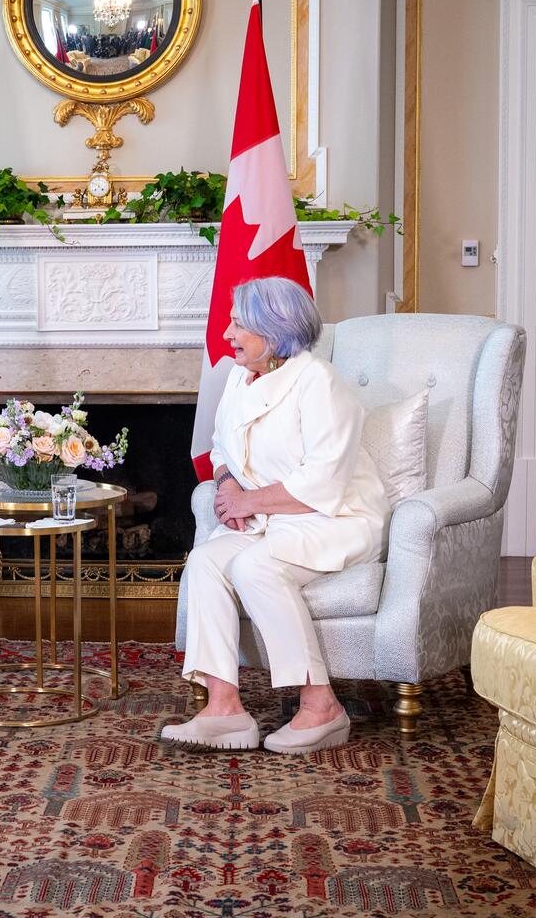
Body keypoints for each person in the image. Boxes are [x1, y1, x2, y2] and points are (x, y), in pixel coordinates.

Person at [164, 277, 389, 755]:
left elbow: (324, 479)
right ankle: (223, 708)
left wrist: (251, 502)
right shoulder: (237, 377)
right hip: (272, 519)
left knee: (253, 566)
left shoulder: (319, 382)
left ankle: (321, 705)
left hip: (335, 519)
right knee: (205, 561)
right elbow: (221, 444)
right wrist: (226, 483)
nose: (227, 334)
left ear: (274, 329)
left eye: (238, 324)